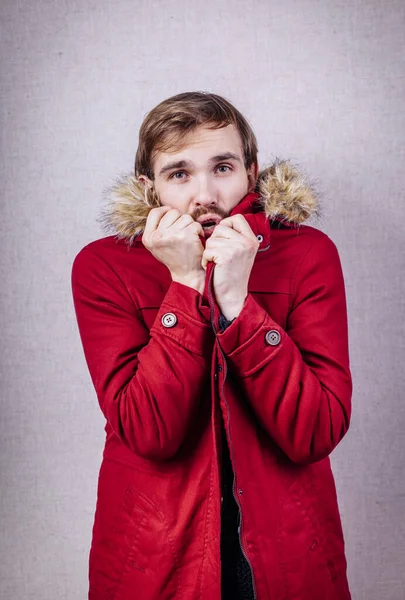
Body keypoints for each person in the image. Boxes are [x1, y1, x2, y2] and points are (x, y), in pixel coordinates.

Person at [71, 91, 353, 600]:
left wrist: (239, 306)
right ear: (150, 187)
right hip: (155, 550)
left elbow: (316, 432)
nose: (204, 194)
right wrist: (184, 282)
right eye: (178, 173)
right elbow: (149, 433)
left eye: (222, 167)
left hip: (288, 546)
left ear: (251, 171)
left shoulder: (308, 254)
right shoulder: (103, 267)